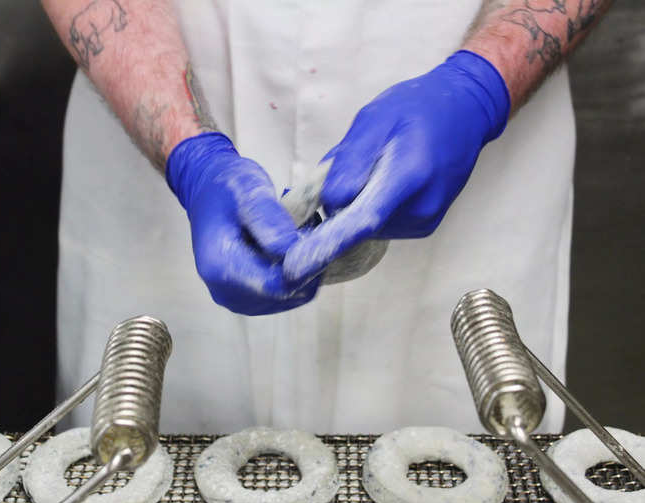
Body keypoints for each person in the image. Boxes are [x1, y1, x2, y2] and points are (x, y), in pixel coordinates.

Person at [41, 0, 611, 434]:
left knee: (480, 448)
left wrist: (480, 88)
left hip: (476, 106)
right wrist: (187, 154)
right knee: (140, 461)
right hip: (153, 97)